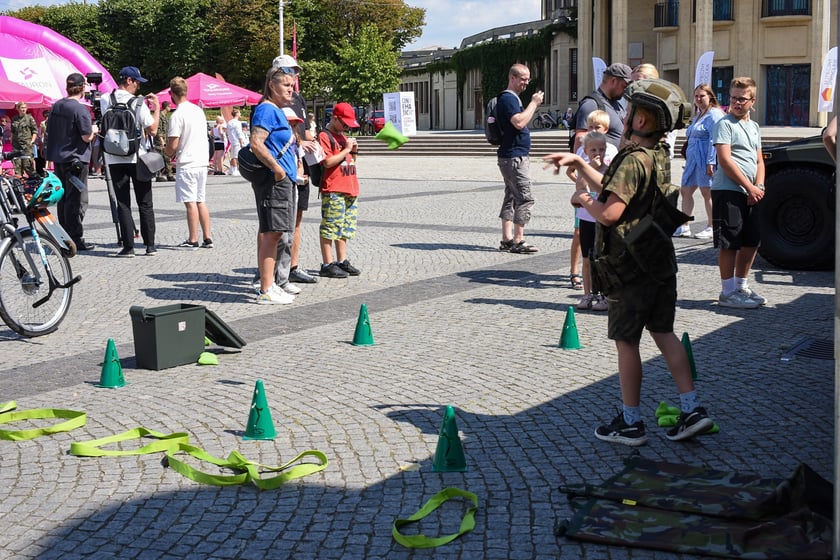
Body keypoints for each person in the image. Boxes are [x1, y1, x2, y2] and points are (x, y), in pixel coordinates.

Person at [544, 78, 713, 447]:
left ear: (640, 120)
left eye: (632, 111)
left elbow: (610, 211)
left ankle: (631, 422)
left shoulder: (632, 159)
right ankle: (692, 408)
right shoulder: (657, 154)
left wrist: (583, 200)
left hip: (630, 265)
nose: (627, 116)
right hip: (658, 261)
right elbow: (615, 183)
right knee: (664, 333)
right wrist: (578, 161)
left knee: (626, 342)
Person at [711, 76, 766, 309]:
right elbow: (725, 160)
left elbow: (759, 160)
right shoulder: (724, 124)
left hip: (752, 192)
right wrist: (749, 186)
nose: (736, 103)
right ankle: (727, 292)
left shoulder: (753, 127)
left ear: (752, 101)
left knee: (751, 240)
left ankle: (741, 285)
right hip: (728, 189)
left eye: (742, 99)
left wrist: (759, 186)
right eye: (732, 98)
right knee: (730, 242)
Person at [248, 66, 298, 304]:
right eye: (286, 84)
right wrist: (277, 170)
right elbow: (256, 143)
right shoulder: (266, 110)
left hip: (283, 179)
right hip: (274, 180)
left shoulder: (276, 110)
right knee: (272, 233)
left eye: (292, 85)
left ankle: (271, 284)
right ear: (271, 85)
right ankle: (266, 288)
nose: (291, 89)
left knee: (277, 233)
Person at [100, 65, 160, 257]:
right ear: (128, 80)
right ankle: (150, 246)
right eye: (136, 82)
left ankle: (128, 247)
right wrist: (156, 109)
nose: (138, 87)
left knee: (123, 202)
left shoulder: (105, 99)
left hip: (114, 157)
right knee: (145, 202)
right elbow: (153, 130)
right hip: (137, 156)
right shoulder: (139, 102)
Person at [273, 54, 320, 284]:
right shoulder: (271, 104)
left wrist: (315, 144)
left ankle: (292, 266)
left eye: (295, 72)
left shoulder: (298, 99)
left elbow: (305, 132)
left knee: (297, 219)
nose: (294, 76)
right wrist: (301, 143)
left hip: (301, 167)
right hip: (284, 167)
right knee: (277, 223)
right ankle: (272, 271)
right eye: (290, 71)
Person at [46, 73, 98, 251]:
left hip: (59, 159)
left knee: (63, 199)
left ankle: (63, 236)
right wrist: (94, 130)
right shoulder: (79, 109)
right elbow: (85, 137)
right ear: (83, 87)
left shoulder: (56, 106)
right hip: (76, 160)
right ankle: (74, 237)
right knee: (77, 200)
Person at [496, 63, 544, 253]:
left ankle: (507, 238)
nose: (526, 82)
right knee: (525, 198)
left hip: (510, 156)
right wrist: (534, 103)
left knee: (511, 196)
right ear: (512, 78)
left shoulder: (510, 99)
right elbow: (519, 122)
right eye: (523, 79)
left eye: (528, 79)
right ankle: (518, 240)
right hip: (514, 157)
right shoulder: (508, 99)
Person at [568, 110, 617, 290]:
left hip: (603, 207)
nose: (592, 130)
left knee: (604, 251)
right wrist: (584, 184)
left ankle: (604, 291)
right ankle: (581, 282)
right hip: (586, 208)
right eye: (590, 127)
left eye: (597, 127)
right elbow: (574, 174)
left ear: (605, 129)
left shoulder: (611, 150)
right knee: (582, 240)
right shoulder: (582, 150)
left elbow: (611, 180)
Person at [164, 76, 213, 250]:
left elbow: (173, 143)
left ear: (171, 93)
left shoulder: (177, 115)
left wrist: (167, 153)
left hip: (187, 162)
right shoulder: (197, 111)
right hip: (201, 161)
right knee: (201, 199)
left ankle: (193, 238)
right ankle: (208, 237)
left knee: (190, 201)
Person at [318, 102, 361, 278]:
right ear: (335, 118)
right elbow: (327, 162)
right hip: (334, 189)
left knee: (344, 228)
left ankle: (342, 260)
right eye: (344, 124)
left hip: (350, 187)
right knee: (330, 227)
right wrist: (347, 149)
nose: (346, 128)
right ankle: (327, 263)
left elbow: (350, 161)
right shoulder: (324, 135)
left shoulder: (343, 137)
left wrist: (354, 152)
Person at [675, 84, 724, 239]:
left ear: (710, 96)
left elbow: (714, 139)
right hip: (693, 158)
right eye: (696, 96)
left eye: (702, 96)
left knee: (706, 192)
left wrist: (711, 161)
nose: (698, 99)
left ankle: (712, 225)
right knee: (686, 190)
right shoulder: (699, 114)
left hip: (704, 157)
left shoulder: (714, 114)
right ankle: (684, 225)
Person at [573, 131, 610, 312]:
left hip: (602, 219)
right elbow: (580, 187)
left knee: (602, 259)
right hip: (586, 218)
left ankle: (604, 295)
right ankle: (588, 294)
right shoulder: (584, 169)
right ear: (586, 151)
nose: (598, 153)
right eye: (593, 150)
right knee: (587, 259)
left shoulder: (609, 169)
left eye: (601, 149)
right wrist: (591, 169)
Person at [572, 62, 631, 151]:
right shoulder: (592, 104)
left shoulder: (616, 104)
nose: (626, 90)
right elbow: (580, 141)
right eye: (624, 86)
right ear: (613, 81)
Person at [11, 101, 38, 177]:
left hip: (26, 145)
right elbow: (12, 132)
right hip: (16, 146)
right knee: (17, 166)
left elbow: (35, 131)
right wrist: (11, 141)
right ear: (18, 109)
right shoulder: (14, 119)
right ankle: (18, 184)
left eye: (25, 108)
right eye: (22, 108)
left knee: (27, 165)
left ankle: (35, 182)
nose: (23, 109)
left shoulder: (29, 118)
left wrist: (32, 141)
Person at [155, 101, 175, 182]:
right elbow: (158, 130)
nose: (170, 108)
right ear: (166, 107)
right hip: (160, 141)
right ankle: (158, 175)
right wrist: (162, 140)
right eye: (169, 106)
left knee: (167, 158)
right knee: (159, 158)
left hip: (165, 139)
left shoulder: (165, 116)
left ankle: (169, 174)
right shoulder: (159, 116)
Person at [226, 108, 246, 177]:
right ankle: (235, 169)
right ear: (237, 114)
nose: (240, 114)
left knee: (233, 155)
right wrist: (241, 142)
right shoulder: (237, 123)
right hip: (237, 141)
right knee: (236, 156)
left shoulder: (229, 122)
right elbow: (239, 133)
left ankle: (231, 169)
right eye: (239, 113)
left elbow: (227, 132)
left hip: (232, 140)